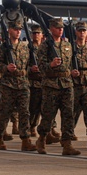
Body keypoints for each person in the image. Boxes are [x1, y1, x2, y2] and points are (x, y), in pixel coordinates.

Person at [33, 18, 79, 156]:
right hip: (51, 85)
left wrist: (73, 72)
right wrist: (50, 65)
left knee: (68, 115)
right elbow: (40, 67)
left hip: (66, 84)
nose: (60, 30)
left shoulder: (68, 45)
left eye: (62, 27)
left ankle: (67, 143)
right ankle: (41, 139)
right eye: (57, 27)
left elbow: (70, 63)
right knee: (48, 114)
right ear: (51, 28)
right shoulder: (45, 46)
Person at [0, 22, 35, 151]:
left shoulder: (24, 48)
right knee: (5, 112)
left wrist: (31, 69)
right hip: (8, 84)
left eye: (19, 29)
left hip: (23, 84)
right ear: (9, 30)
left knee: (24, 113)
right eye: (15, 29)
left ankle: (25, 139)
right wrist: (6, 68)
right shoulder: (3, 48)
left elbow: (28, 64)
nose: (18, 31)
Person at [70, 22, 87, 139]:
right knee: (72, 112)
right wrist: (70, 72)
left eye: (84, 31)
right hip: (74, 84)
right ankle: (69, 134)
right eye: (80, 31)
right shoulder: (70, 49)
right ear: (76, 32)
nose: (82, 33)